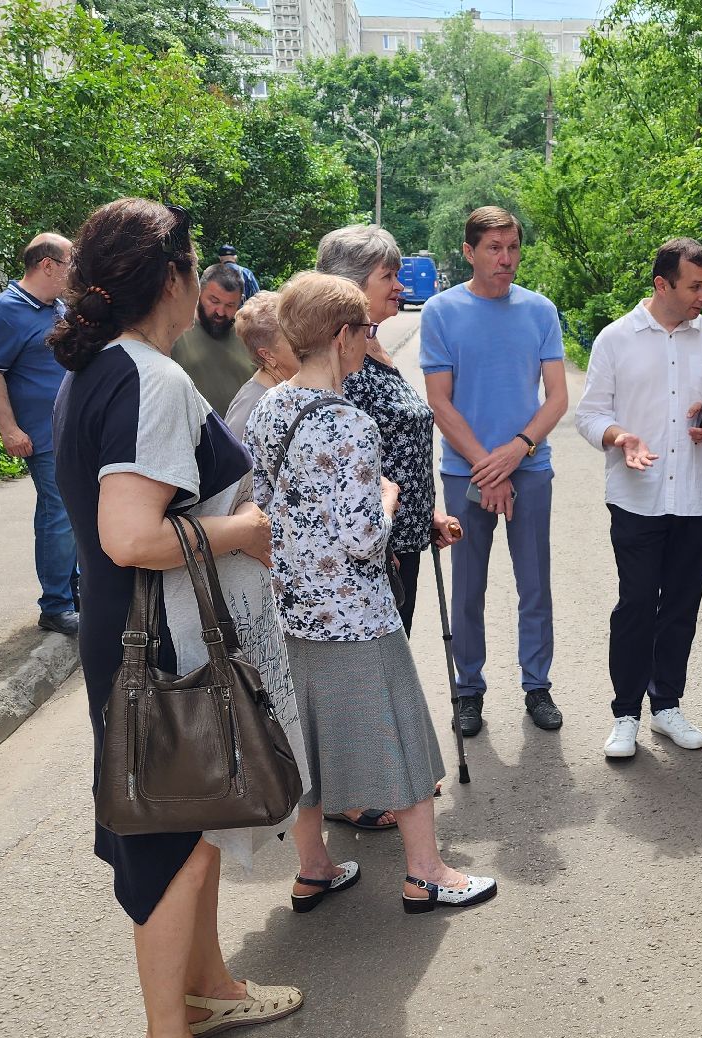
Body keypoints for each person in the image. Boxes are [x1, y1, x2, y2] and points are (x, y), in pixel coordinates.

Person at [50, 198, 305, 1038]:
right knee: (170, 850)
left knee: (193, 830)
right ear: (173, 280)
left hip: (137, 637)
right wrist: (243, 532)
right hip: (156, 647)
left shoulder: (109, 368)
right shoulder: (150, 380)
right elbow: (132, 536)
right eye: (195, 266)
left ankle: (209, 989)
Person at [244, 272, 497, 918]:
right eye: (364, 329)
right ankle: (426, 872)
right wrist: (387, 497)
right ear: (341, 335)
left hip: (292, 608)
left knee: (303, 742)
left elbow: (265, 507)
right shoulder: (351, 424)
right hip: (355, 612)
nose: (368, 340)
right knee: (402, 735)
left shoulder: (271, 406)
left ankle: (314, 867)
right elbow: (363, 539)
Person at [575, 237, 702, 759]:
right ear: (662, 284)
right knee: (635, 606)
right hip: (636, 497)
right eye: (695, 286)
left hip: (697, 499)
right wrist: (619, 437)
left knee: (681, 608)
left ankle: (667, 705)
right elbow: (589, 415)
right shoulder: (615, 339)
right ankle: (625, 714)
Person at [420, 206, 569, 736]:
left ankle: (538, 686)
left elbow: (556, 398)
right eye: (494, 249)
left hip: (529, 465)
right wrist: (490, 467)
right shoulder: (440, 311)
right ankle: (468, 690)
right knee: (468, 586)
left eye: (512, 248)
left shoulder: (540, 310)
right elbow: (440, 402)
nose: (506, 259)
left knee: (534, 583)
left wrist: (518, 451)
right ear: (469, 252)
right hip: (467, 472)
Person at [317, 224, 461, 637]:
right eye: (388, 276)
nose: (400, 285)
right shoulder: (339, 357)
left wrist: (426, 511)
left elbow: (391, 445)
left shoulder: (371, 344)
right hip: (374, 551)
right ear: (352, 284)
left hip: (401, 539)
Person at [0, 231, 79, 636]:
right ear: (48, 265)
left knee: (73, 514)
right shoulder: (4, 309)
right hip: (40, 434)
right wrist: (9, 428)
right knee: (58, 516)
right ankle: (55, 605)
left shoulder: (58, 307)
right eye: (71, 263)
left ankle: (72, 592)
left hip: (70, 429)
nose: (75, 271)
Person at [170, 264, 256, 415]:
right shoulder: (175, 330)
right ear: (198, 292)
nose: (221, 312)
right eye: (214, 301)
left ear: (240, 302)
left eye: (230, 305)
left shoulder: (248, 335)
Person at [221, 290, 298, 437]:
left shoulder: (281, 389)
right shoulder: (251, 406)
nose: (306, 343)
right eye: (293, 339)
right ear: (267, 355)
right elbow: (232, 459)